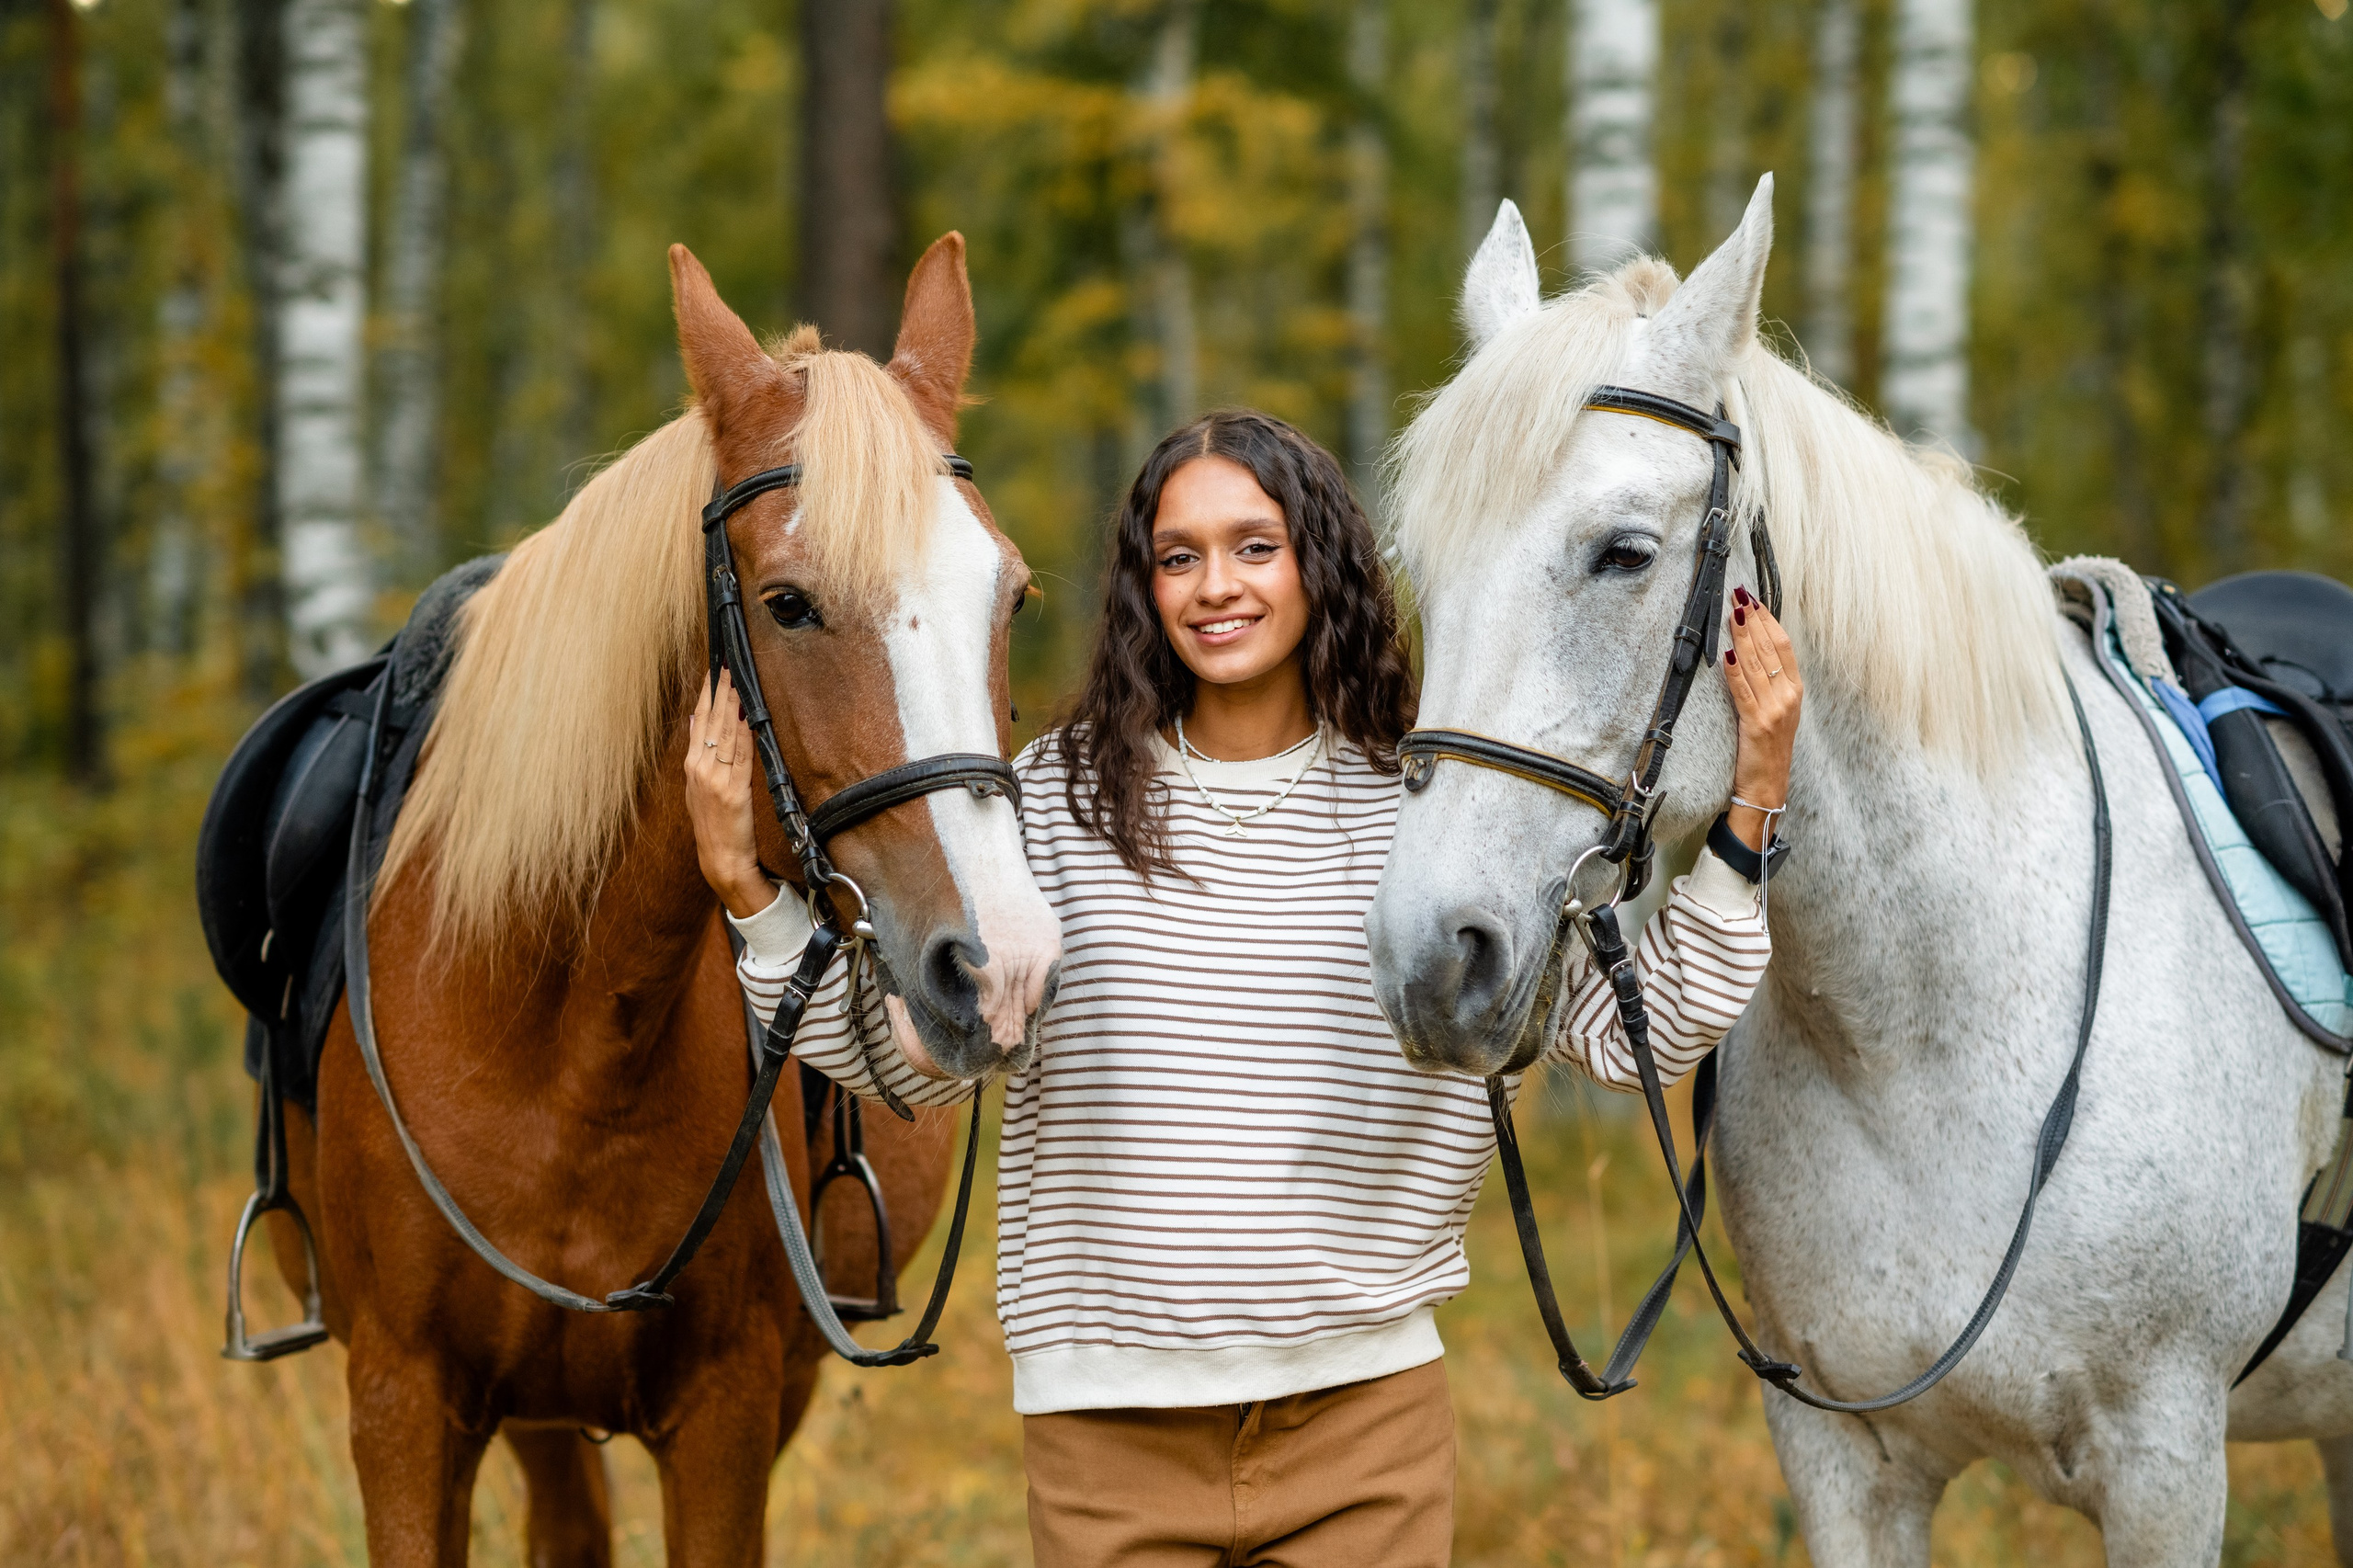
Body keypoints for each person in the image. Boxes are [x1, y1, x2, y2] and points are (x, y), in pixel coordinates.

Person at [685, 408, 1803, 1567]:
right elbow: (901, 1063)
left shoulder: (1430, 823)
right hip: (1104, 1438)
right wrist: (745, 887)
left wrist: (1751, 800)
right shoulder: (1050, 808)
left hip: (1362, 1431)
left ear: (1318, 562)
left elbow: (1638, 1034)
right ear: (1144, 588)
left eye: (1253, 546)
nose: (1215, 585)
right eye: (1179, 556)